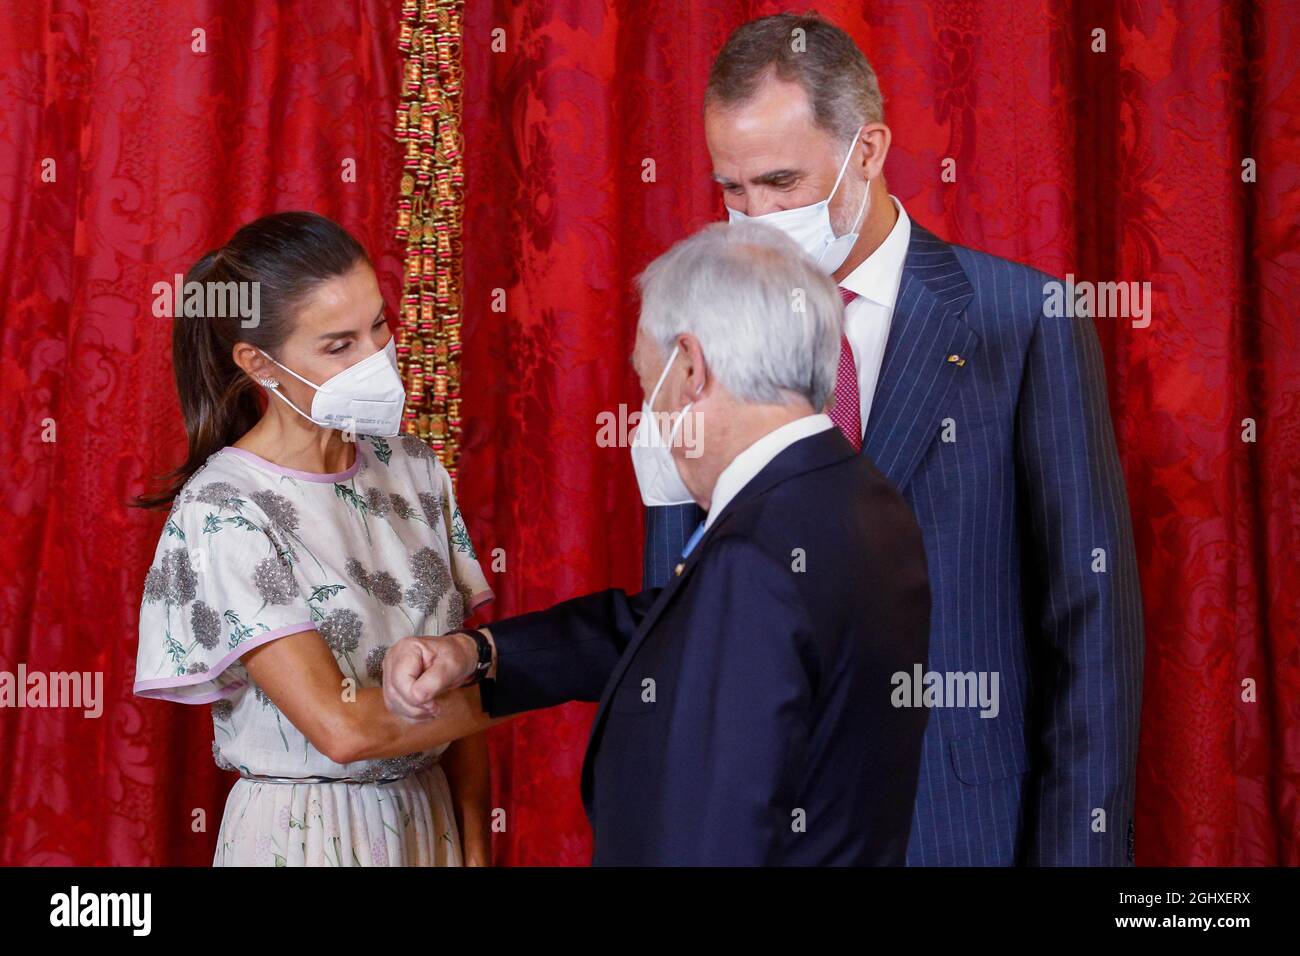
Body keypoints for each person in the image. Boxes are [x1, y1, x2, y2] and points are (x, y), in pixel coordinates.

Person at [644, 13, 1145, 866]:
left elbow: (1089, 629)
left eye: (780, 181)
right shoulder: (697, 338)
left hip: (955, 830)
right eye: (731, 191)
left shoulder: (1020, 321)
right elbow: (674, 611)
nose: (754, 219)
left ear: (867, 151)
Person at [383, 221, 932, 865]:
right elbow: (669, 625)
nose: (648, 416)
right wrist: (479, 650)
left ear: (692, 368)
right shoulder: (854, 492)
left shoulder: (753, 553)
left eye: (647, 385)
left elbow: (713, 834)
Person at [132, 211, 495, 866]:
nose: (375, 358)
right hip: (306, 836)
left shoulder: (415, 470)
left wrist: (473, 848)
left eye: (378, 326)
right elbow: (343, 729)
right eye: (339, 345)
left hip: (428, 815)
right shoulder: (223, 510)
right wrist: (524, 679)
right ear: (258, 364)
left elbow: (456, 665)